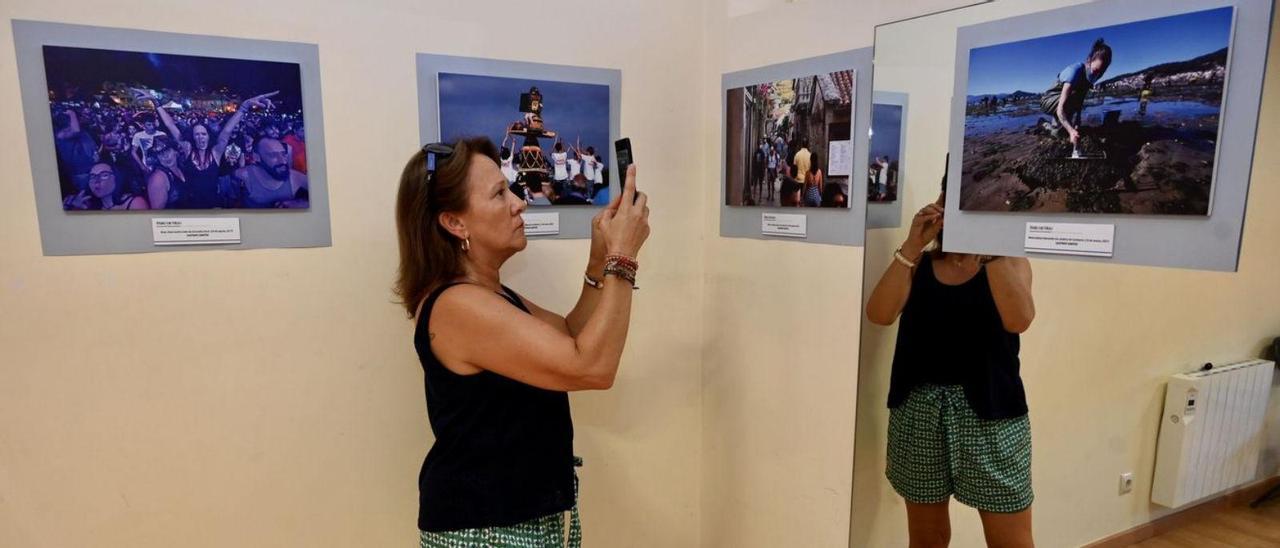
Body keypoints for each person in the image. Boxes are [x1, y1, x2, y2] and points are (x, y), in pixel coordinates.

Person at [394, 137, 650, 546]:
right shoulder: (458, 306)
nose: (519, 203)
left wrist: (600, 260)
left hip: (512, 521)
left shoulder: (485, 294)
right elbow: (592, 368)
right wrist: (624, 257)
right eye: (499, 194)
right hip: (487, 531)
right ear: (454, 223)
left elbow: (571, 337)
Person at [865, 173, 1036, 548]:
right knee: (928, 538)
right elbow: (878, 314)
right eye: (951, 196)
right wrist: (911, 246)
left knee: (1011, 540)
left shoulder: (1008, 261)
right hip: (919, 412)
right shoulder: (920, 265)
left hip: (992, 417)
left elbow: (1019, 319)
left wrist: (987, 246)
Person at [1041, 38, 1113, 146]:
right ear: (1089, 60)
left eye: (1102, 71)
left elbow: (1081, 98)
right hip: (1049, 101)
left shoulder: (1096, 73)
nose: (1097, 75)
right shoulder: (1074, 71)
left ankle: (1056, 126)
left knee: (1060, 133)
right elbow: (1061, 109)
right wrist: (1071, 131)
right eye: (1096, 70)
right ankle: (1043, 124)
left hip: (1068, 101)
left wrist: (1077, 121)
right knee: (1061, 132)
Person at [234, 137, 309, 208]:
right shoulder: (245, 174)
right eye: (273, 155)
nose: (283, 161)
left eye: (283, 154)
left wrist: (302, 204)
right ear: (257, 157)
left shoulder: (294, 177)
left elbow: (319, 196)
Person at [64, 162, 150, 211]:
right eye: (93, 176)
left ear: (116, 178)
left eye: (104, 175)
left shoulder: (135, 203)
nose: (97, 181)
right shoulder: (90, 206)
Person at [145, 135, 188, 209]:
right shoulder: (158, 178)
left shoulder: (182, 168)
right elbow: (157, 215)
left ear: (175, 151)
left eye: (167, 151)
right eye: (160, 153)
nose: (165, 156)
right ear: (157, 157)